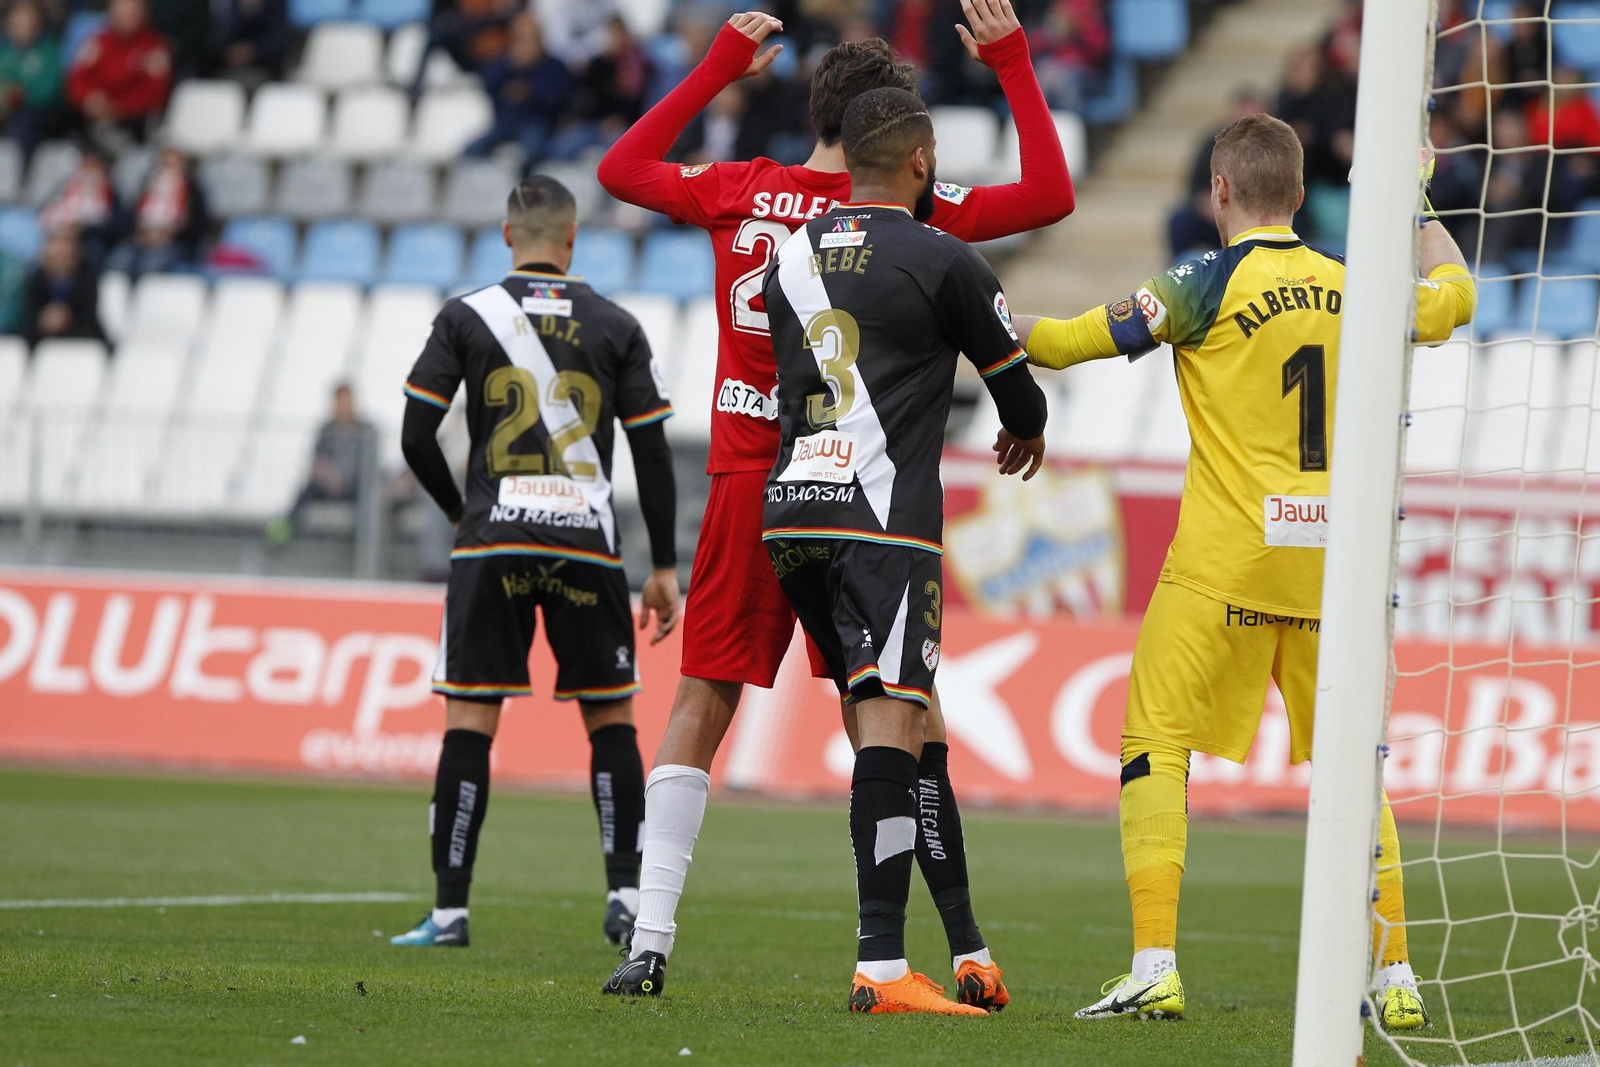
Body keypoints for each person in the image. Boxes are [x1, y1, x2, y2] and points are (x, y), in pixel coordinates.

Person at [596, 1, 1073, 1007]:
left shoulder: (742, 190)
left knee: (700, 701)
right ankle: (944, 946)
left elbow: (621, 169)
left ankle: (649, 937)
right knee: (898, 718)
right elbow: (1048, 194)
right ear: (891, 133)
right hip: (865, 490)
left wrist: (717, 69)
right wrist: (1012, 64)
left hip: (752, 483)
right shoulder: (915, 213)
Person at [998, 114, 1476, 1027]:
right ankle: (1397, 975)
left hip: (1225, 562)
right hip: (1333, 567)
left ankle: (1155, 964)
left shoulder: (1200, 282)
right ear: (1298, 195)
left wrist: (962, 313)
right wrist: (1417, 204)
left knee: (1154, 738)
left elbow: (1058, 343)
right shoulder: (1358, 281)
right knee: (1354, 766)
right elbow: (1455, 298)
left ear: (1218, 191)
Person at [761, 86, 1046, 1015]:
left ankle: (969, 948)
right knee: (891, 724)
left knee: (917, 726)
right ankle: (881, 965)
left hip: (793, 514)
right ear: (922, 162)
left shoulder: (789, 255)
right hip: (881, 520)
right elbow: (1021, 396)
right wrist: (1026, 430)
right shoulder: (943, 256)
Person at [391, 175, 680, 949]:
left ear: (507, 234)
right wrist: (663, 565)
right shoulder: (615, 322)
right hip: (586, 541)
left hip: (496, 539)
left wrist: (460, 512)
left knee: (470, 719)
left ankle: (449, 912)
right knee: (610, 717)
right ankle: (625, 898)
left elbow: (416, 435)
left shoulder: (466, 315)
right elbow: (652, 453)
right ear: (574, 238)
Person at [267, 382, 375, 544]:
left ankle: (361, 539)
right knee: (307, 490)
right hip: (329, 485)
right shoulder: (327, 429)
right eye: (340, 402)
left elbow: (369, 464)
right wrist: (330, 477)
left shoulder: (366, 430)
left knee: (367, 495)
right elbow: (318, 461)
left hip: (353, 486)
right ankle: (285, 528)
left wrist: (347, 479)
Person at [465, 14, 573, 162]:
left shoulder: (554, 66)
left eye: (529, 38)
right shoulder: (504, 64)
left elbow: (559, 98)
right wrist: (512, 65)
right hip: (506, 122)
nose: (525, 43)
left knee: (532, 152)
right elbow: (489, 85)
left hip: (538, 123)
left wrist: (530, 91)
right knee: (472, 150)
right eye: (520, 38)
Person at [64, 0, 173, 141]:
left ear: (143, 15)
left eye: (130, 15)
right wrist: (89, 96)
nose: (125, 20)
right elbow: (77, 77)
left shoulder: (154, 48)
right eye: (120, 14)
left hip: (132, 122)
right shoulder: (98, 42)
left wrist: (117, 107)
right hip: (93, 115)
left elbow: (155, 93)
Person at [108, 144, 209, 278]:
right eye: (165, 163)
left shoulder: (193, 191)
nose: (169, 168)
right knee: (119, 260)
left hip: (174, 243)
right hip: (141, 239)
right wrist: (141, 233)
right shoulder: (147, 185)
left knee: (150, 267)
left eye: (174, 164)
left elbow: (198, 225)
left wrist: (168, 234)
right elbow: (131, 216)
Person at [0, 0, 63, 154]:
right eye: (16, 18)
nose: (20, 24)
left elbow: (50, 90)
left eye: (26, 18)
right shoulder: (4, 50)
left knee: (25, 123)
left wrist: (20, 94)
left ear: (38, 23)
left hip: (36, 117)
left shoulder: (48, 51)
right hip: (5, 113)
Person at [23, 227, 104, 346]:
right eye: (55, 243)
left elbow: (94, 327)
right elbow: (21, 326)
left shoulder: (89, 281)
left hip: (79, 347)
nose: (61, 249)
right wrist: (43, 323)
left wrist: (67, 322)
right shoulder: (34, 281)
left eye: (67, 243)